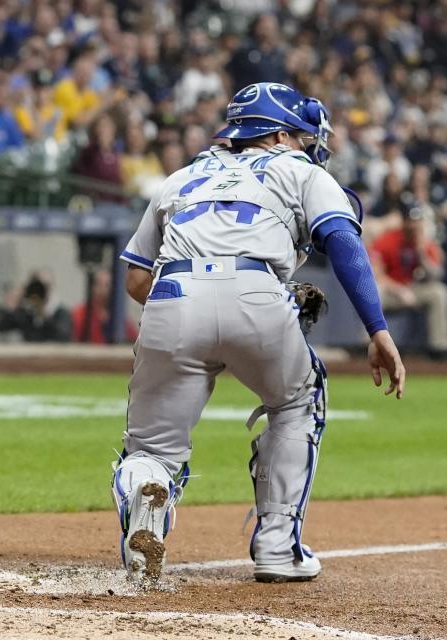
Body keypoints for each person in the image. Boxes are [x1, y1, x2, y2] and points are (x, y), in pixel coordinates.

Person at [112, 82, 405, 586]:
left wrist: (198, 309)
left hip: (173, 295)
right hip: (259, 293)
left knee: (151, 450)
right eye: (303, 134)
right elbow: (343, 241)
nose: (310, 144)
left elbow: (137, 279)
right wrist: (376, 329)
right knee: (297, 400)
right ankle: (277, 547)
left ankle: (148, 495)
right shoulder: (300, 170)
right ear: (282, 134)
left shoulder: (181, 177)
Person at [370, 203, 447, 357]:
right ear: (404, 221)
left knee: (440, 292)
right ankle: (368, 346)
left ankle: (439, 349)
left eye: (417, 221)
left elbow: (437, 275)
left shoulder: (426, 242)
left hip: (415, 290)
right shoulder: (388, 239)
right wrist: (399, 290)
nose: (413, 225)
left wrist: (421, 252)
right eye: (411, 220)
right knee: (372, 290)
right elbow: (375, 273)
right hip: (392, 292)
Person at [0, 273, 71, 342]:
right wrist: (14, 304)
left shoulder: (61, 312)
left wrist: (43, 314)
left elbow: (63, 337)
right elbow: (0, 328)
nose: (42, 290)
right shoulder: (27, 312)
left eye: (46, 286)